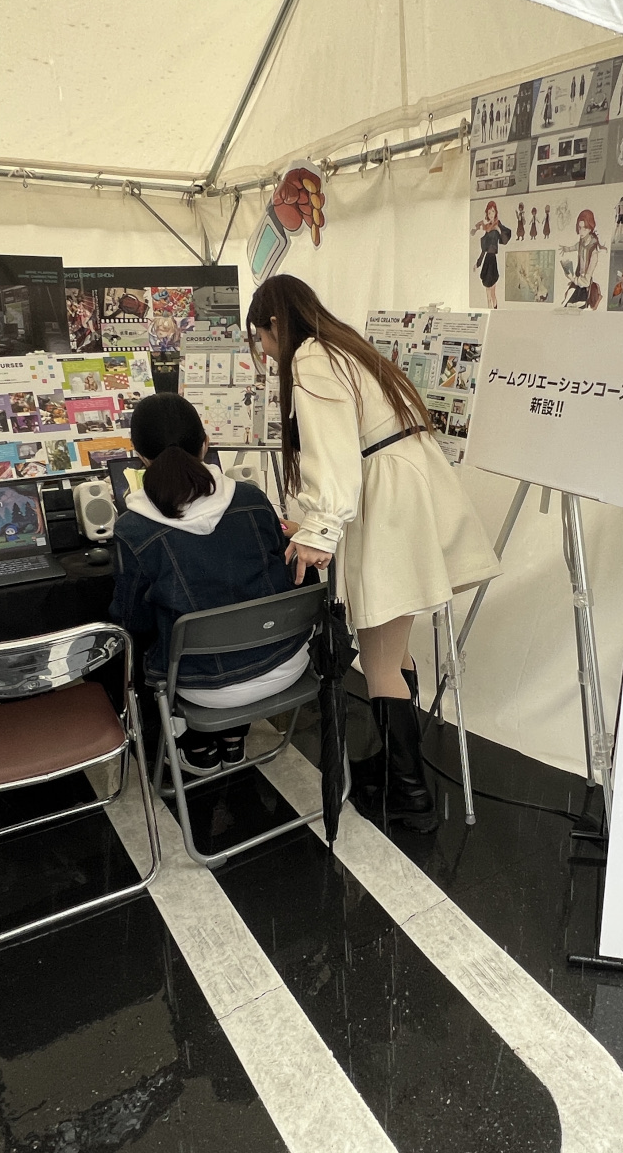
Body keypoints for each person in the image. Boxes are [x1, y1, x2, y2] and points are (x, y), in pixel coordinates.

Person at [246, 275, 500, 832]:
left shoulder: (311, 357)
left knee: (379, 659)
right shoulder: (347, 348)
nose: (264, 350)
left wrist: (318, 530)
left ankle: (411, 796)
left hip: (386, 507)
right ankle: (396, 768)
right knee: (394, 648)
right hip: (404, 497)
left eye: (261, 338)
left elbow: (332, 454)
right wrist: (321, 524)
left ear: (274, 323)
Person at [111, 393, 309, 775]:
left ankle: (197, 746)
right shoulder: (252, 499)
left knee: (152, 647)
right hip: (287, 660)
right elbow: (279, 574)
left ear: (139, 456)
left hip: (205, 686)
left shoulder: (133, 529)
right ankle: (234, 737)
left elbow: (131, 621)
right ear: (205, 444)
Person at [472, 201, 512, 308]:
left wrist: (498, 230)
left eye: (492, 212)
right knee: (488, 293)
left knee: (493, 292)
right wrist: (477, 263)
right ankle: (489, 309)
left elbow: (505, 239)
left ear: (495, 212)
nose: (491, 214)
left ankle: (495, 311)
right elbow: (484, 250)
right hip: (487, 260)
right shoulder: (487, 228)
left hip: (493, 260)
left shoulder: (498, 224)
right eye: (489, 212)